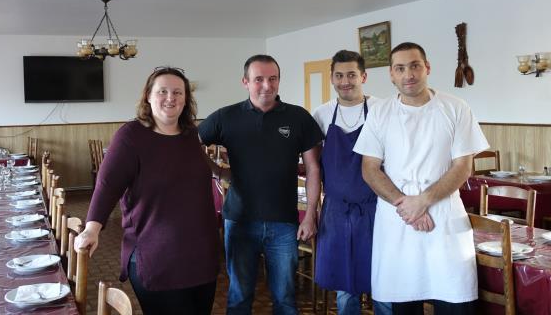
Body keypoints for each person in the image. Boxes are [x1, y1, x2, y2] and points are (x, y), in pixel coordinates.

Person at [353, 42, 489, 314]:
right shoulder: (380, 112)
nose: (409, 74)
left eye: (415, 66)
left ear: (427, 68)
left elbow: (464, 166)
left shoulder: (456, 107)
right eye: (400, 68)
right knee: (404, 304)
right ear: (391, 74)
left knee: (456, 301)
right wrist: (408, 206)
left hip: (444, 217)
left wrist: (424, 200)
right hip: (397, 219)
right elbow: (369, 168)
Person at [74, 67, 220, 315]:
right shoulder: (131, 136)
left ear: (186, 99)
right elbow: (108, 184)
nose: (170, 97)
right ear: (148, 97)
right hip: (157, 256)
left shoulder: (190, 135)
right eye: (162, 91)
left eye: (178, 92)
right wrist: (92, 227)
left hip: (201, 255)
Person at [198, 54, 323, 315]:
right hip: (240, 221)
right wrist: (218, 170)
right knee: (239, 297)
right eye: (258, 79)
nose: (266, 85)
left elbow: (313, 168)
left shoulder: (298, 117)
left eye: (272, 78)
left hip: (285, 223)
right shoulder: (226, 116)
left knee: (286, 300)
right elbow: (190, 142)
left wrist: (310, 214)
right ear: (245, 82)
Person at [311, 50, 390, 315]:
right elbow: (313, 164)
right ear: (332, 78)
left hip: (377, 208)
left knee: (383, 282)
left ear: (364, 76)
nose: (346, 81)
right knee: (344, 288)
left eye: (352, 75)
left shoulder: (382, 109)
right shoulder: (321, 115)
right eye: (339, 75)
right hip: (336, 211)